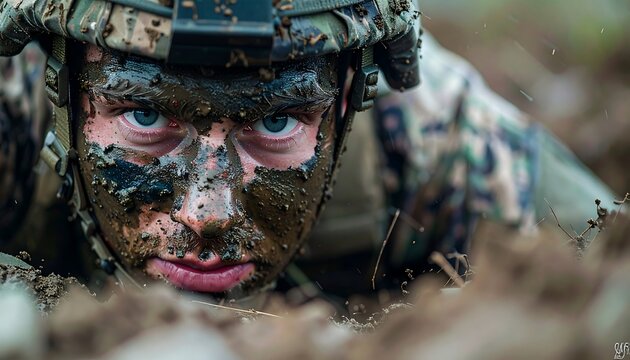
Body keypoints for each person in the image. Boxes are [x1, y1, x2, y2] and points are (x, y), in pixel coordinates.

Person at [0, 0, 616, 302]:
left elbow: (611, 280)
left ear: (351, 98)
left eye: (275, 124)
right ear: (62, 86)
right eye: (145, 115)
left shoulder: (436, 136)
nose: (206, 213)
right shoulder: (12, 115)